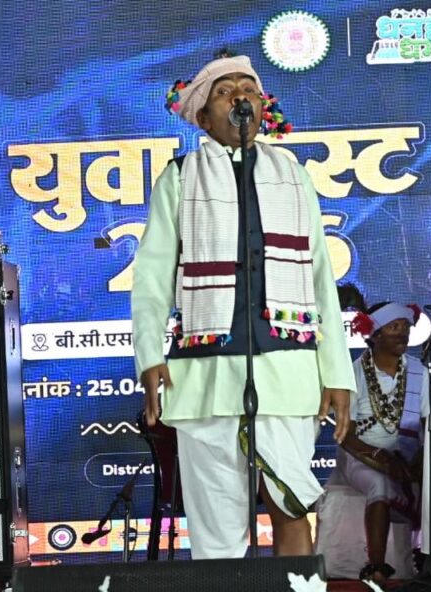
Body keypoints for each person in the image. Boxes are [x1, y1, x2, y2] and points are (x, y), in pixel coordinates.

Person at [131, 51, 354, 558]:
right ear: (204, 117)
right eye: (224, 90)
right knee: (217, 531)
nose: (239, 96)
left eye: (247, 88)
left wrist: (337, 372)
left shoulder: (292, 175)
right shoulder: (181, 176)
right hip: (205, 378)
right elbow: (152, 277)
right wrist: (149, 356)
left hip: (287, 373)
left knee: (292, 506)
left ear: (262, 106)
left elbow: (320, 276)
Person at [335, 302, 430, 586]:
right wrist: (382, 460)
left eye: (405, 327)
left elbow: (429, 424)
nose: (403, 333)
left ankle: (429, 558)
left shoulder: (418, 371)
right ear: (374, 335)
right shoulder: (353, 373)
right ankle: (376, 568)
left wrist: (419, 461)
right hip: (361, 455)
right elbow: (346, 435)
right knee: (380, 484)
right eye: (394, 327)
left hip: (408, 455)